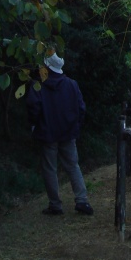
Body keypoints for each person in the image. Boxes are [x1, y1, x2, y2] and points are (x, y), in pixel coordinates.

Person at [26, 53, 93, 216]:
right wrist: (75, 126)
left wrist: (34, 125)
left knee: (49, 168)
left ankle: (55, 204)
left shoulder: (38, 85)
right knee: (73, 166)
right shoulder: (71, 84)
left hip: (47, 132)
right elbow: (81, 108)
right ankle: (82, 200)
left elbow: (33, 107)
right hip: (68, 132)